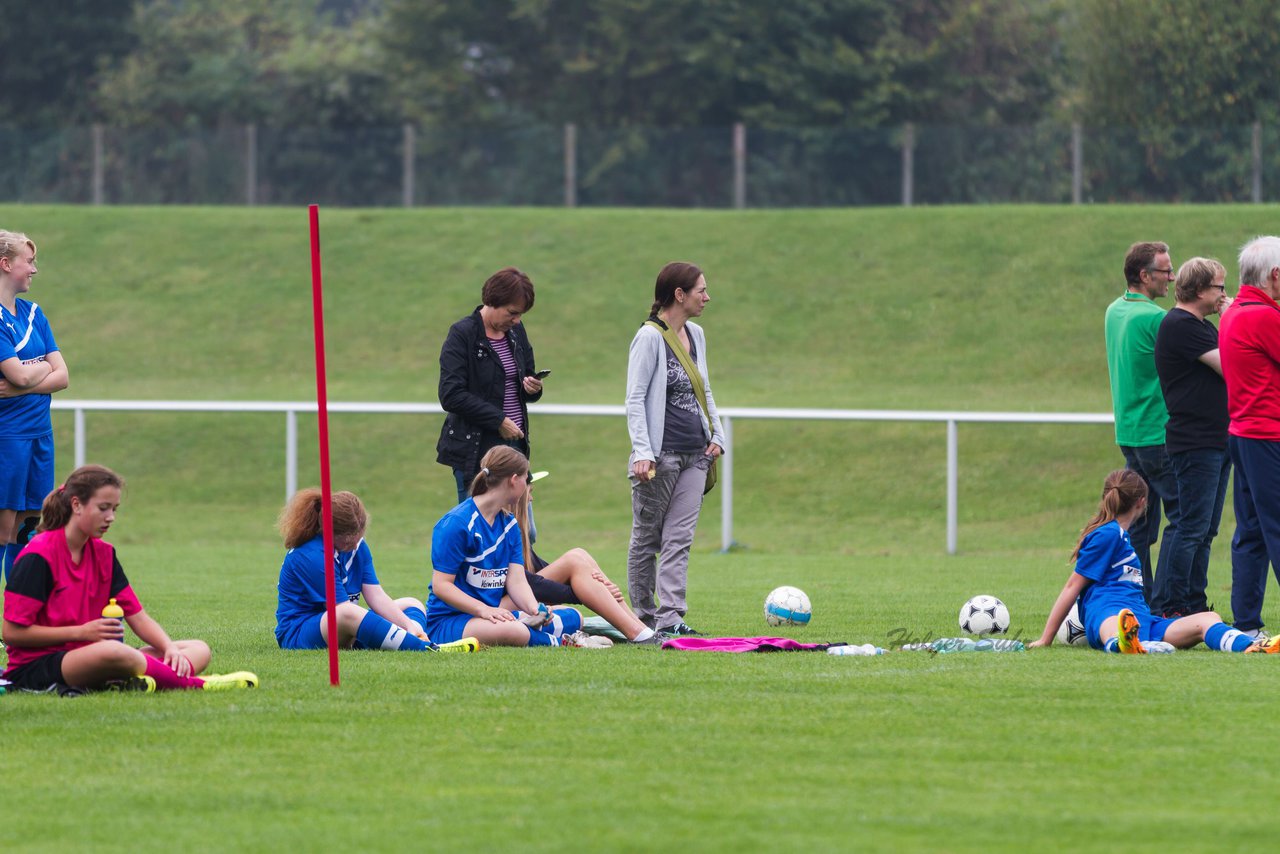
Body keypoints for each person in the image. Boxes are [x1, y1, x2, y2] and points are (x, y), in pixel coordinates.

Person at [2, 465, 258, 693]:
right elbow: (11, 633)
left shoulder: (104, 554)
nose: (111, 517)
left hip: (94, 656)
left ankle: (130, 680)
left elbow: (138, 617)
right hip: (36, 667)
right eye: (103, 508)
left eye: (114, 509)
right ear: (76, 505)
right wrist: (81, 632)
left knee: (198, 649)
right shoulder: (39, 555)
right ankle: (194, 685)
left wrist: (168, 647)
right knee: (114, 652)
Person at [1029, 469, 1279, 655]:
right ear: (1141, 502)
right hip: (1108, 614)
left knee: (1208, 618)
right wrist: (1046, 638)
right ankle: (1122, 643)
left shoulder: (1122, 536)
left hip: (1143, 619)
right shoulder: (1105, 534)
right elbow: (1073, 586)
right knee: (1118, 622)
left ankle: (1252, 647)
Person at [625, 261, 724, 637]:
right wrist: (642, 451)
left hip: (696, 454)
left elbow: (705, 389)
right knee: (647, 538)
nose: (707, 297)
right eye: (701, 290)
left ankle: (671, 618)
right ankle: (644, 620)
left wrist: (717, 436)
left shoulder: (696, 334)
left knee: (679, 538)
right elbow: (634, 398)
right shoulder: (649, 337)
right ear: (679, 295)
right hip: (659, 457)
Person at [424, 446, 586, 648]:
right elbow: (441, 585)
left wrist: (535, 609)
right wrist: (483, 610)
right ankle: (562, 643)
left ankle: (534, 629)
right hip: (450, 621)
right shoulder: (456, 524)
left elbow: (516, 580)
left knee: (574, 616)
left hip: (490, 616)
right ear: (514, 480)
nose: (528, 487)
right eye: (526, 480)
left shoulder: (509, 524)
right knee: (513, 630)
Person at [274, 488, 467, 652]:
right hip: (300, 631)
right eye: (349, 539)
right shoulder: (312, 555)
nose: (355, 543)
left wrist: (408, 626)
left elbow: (376, 595)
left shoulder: (358, 546)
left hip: (346, 621)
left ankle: (407, 637)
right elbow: (341, 610)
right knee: (346, 613)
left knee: (411, 604)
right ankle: (424, 648)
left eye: (358, 536)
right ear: (331, 533)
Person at [1151, 257, 1232, 618]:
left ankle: (1193, 604)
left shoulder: (1198, 325)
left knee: (1205, 529)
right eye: (1219, 288)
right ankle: (1170, 606)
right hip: (1196, 442)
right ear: (1200, 290)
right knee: (1191, 527)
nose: (1223, 295)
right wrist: (1233, 319)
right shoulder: (1182, 325)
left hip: (1214, 439)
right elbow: (1231, 365)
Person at [1104, 241, 1178, 598]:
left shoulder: (1113, 311)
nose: (1173, 277)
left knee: (1138, 523)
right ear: (1145, 275)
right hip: (1158, 433)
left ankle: (1138, 596)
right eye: (1166, 271)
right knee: (1184, 519)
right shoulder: (1155, 318)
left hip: (1129, 432)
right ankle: (1171, 601)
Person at [509, 475, 661, 645]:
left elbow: (540, 570)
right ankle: (636, 633)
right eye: (530, 492)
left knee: (580, 556)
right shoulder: (500, 528)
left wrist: (597, 587)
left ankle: (641, 629)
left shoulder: (512, 529)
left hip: (518, 599)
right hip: (501, 604)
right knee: (575, 560)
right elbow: (529, 582)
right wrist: (587, 593)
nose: (531, 498)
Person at [436, 267, 543, 504]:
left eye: (521, 315)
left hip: (515, 446)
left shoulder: (515, 331)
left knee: (526, 530)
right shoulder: (462, 334)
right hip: (476, 452)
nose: (517, 320)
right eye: (512, 313)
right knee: (482, 529)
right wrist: (498, 421)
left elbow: (526, 374)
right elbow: (450, 394)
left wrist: (532, 387)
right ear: (492, 301)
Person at [1220, 235, 1280, 642]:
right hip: (1268, 436)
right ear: (1275, 276)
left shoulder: (1235, 312)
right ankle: (1245, 620)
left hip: (1243, 434)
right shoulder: (1264, 317)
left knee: (1252, 530)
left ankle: (1246, 621)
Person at [0, 230, 69, 581]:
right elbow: (19, 374)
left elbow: (63, 376)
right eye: (29, 261)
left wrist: (28, 375)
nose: (34, 269)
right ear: (6, 263)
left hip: (39, 437)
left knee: (28, 535)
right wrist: (40, 367)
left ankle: (20, 625)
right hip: (7, 440)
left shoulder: (33, 313)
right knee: (2, 532)